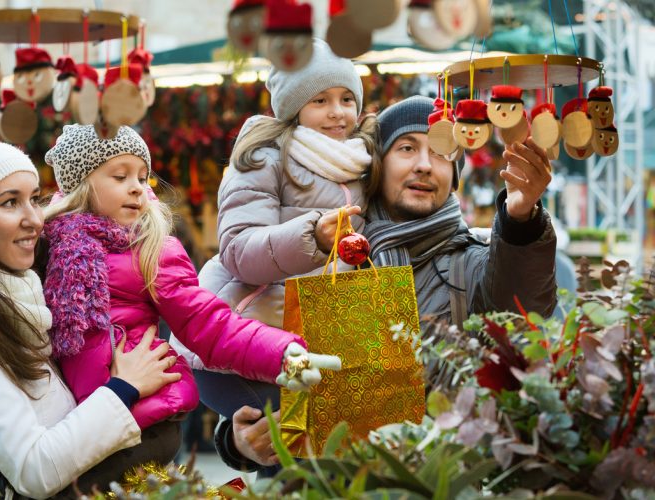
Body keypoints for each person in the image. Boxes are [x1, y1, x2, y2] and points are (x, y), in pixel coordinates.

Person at [40, 125, 339, 467]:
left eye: (142, 177)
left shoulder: (149, 250)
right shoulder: (50, 246)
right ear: (80, 184)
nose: (137, 188)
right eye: (120, 176)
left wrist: (282, 354)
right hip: (81, 420)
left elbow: (208, 322)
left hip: (142, 420)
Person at [0, 137, 179, 498]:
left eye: (34, 198)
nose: (35, 219)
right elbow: (33, 471)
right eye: (9, 203)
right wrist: (123, 388)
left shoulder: (38, 295)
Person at [194, 38, 382, 472]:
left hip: (323, 333)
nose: (337, 112)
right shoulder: (265, 156)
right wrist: (312, 236)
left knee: (322, 455)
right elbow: (238, 248)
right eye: (320, 100)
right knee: (290, 456)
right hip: (252, 334)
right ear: (293, 107)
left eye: (346, 99)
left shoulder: (364, 161)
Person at [363, 95, 557, 329]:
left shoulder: (470, 265)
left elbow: (521, 309)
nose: (424, 165)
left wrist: (520, 222)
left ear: (454, 178)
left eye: (440, 152)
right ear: (378, 166)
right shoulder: (341, 256)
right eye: (407, 148)